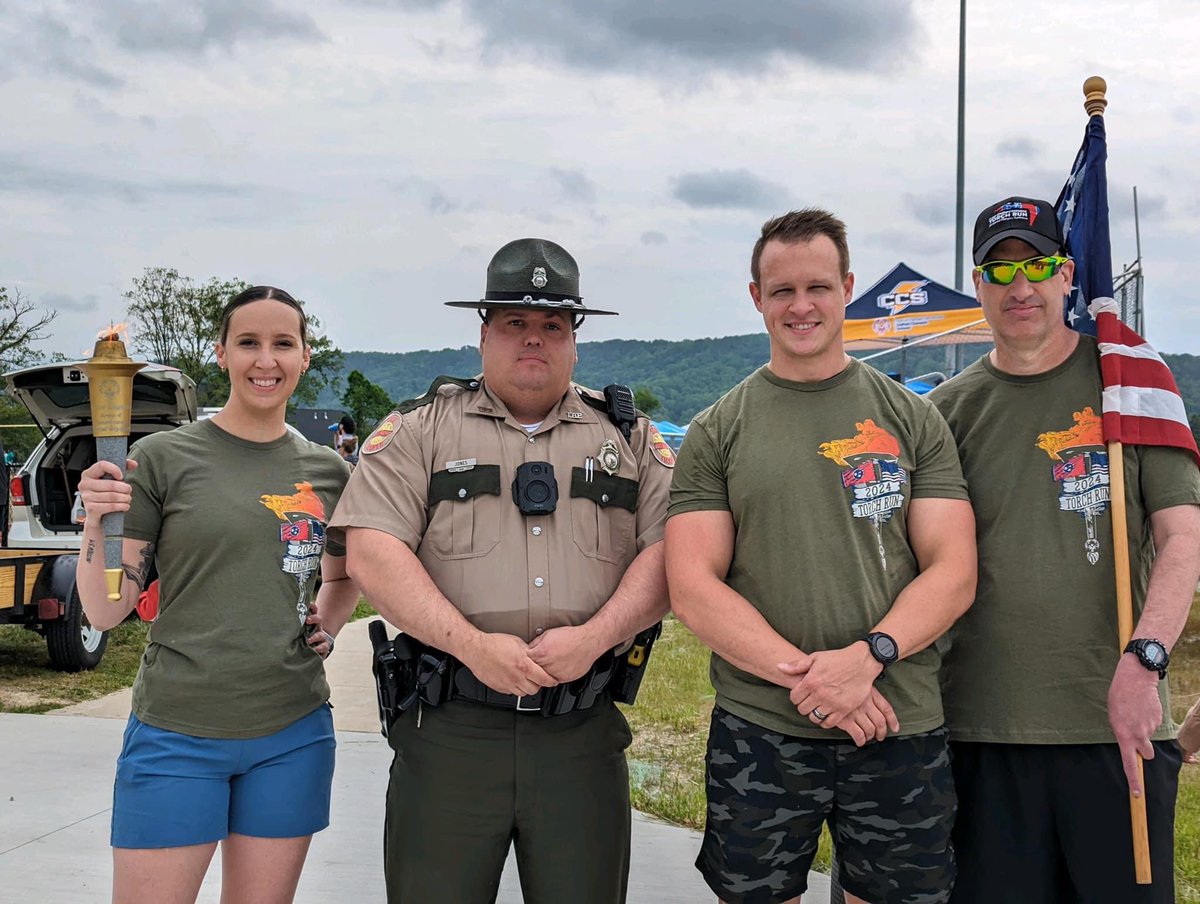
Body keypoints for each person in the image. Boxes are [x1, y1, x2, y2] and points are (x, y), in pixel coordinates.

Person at [328, 238, 672, 904]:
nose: (532, 340)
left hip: (580, 733)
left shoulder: (628, 440)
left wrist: (595, 638)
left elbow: (671, 555)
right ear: (483, 334)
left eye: (552, 325)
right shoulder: (421, 431)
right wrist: (472, 647)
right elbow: (372, 549)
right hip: (452, 726)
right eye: (514, 323)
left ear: (576, 340)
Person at [666, 208, 977, 904]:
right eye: (782, 291)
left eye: (818, 287)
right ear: (756, 297)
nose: (800, 306)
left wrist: (866, 660)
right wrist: (818, 683)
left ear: (847, 288)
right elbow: (692, 586)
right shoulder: (717, 430)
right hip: (763, 730)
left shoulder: (911, 418)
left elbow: (953, 572)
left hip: (896, 720)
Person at [929, 197, 1200, 904]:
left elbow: (1183, 538)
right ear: (978, 284)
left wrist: (1147, 662)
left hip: (1116, 730)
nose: (1021, 287)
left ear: (1067, 273)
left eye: (1038, 266)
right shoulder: (944, 413)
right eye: (1000, 270)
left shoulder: (1132, 388)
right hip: (979, 733)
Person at [75, 285, 360, 904]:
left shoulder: (331, 472)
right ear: (221, 354)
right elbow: (105, 608)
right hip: (178, 728)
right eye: (248, 343)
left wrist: (329, 623)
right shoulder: (159, 459)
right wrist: (98, 520)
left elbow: (342, 574)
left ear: (305, 357)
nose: (266, 360)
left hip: (292, 729)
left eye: (283, 344)